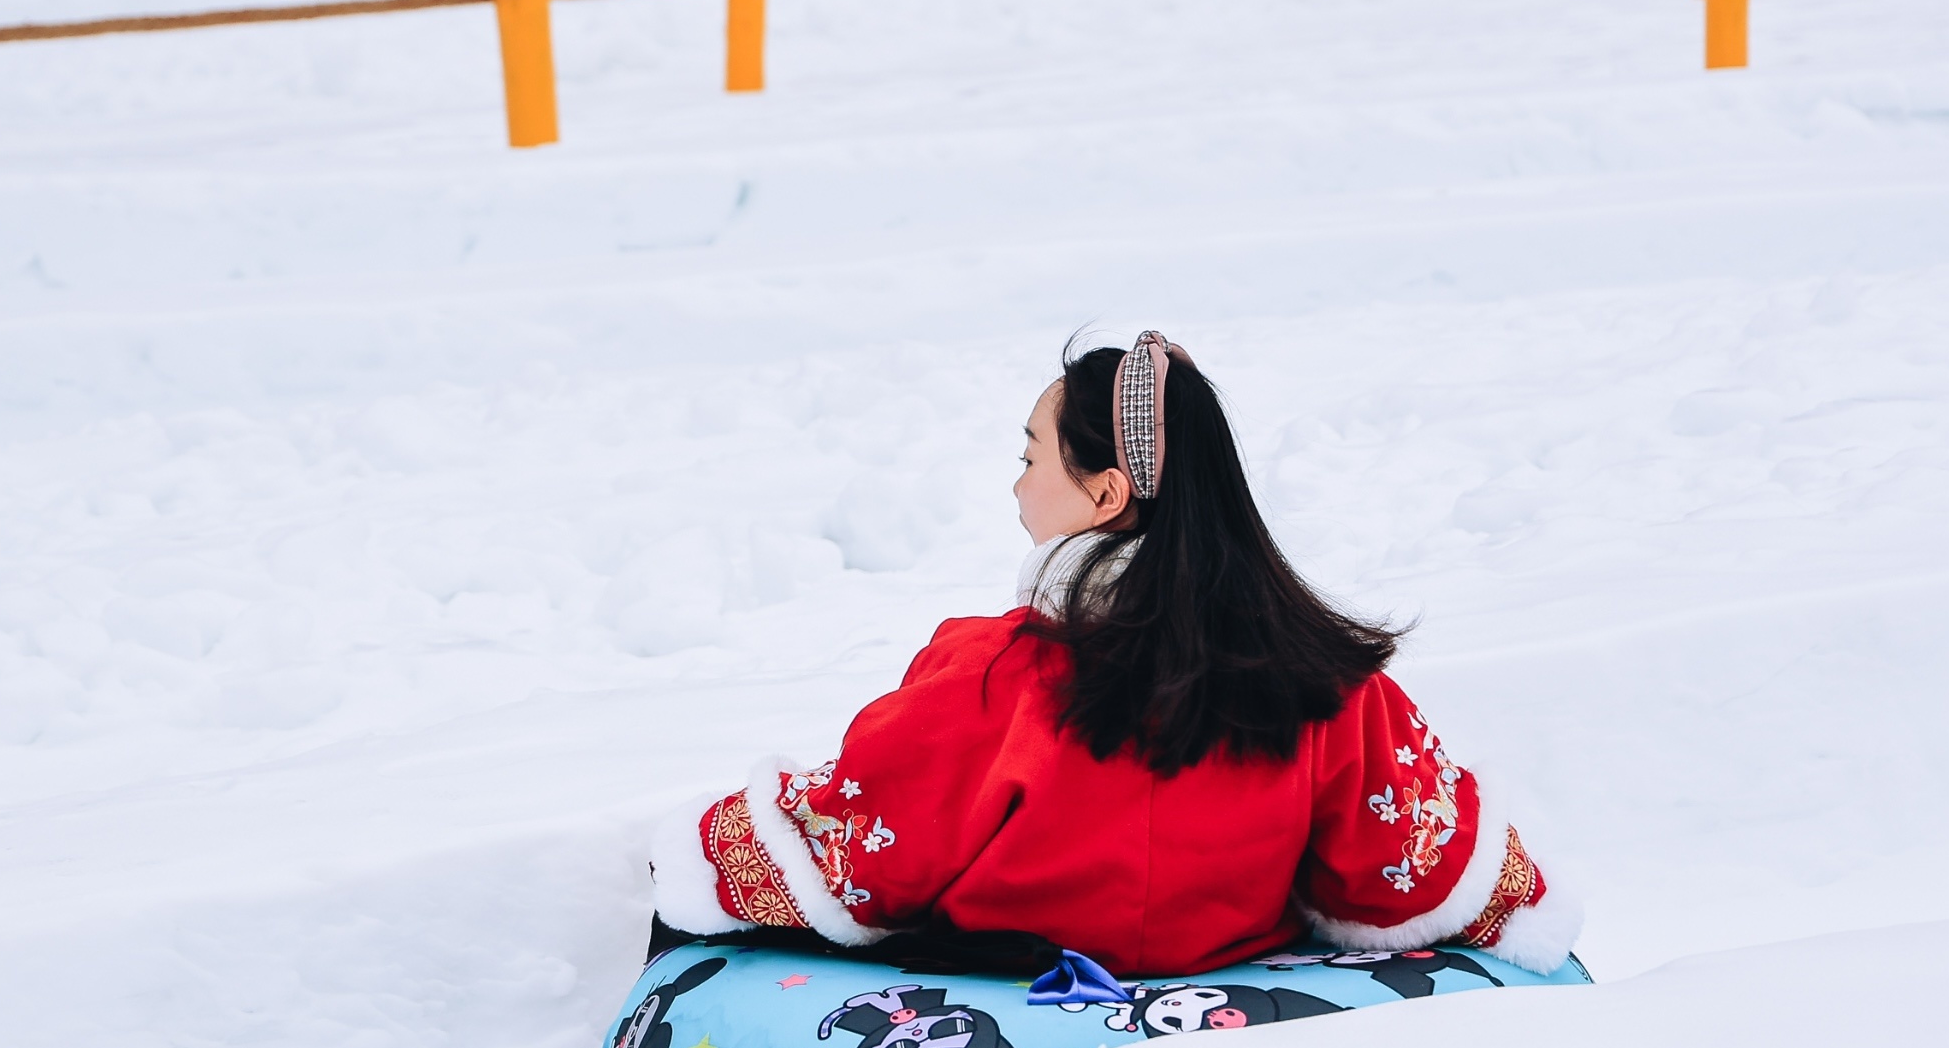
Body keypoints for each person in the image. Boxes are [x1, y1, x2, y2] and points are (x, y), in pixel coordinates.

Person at [649, 331, 1561, 984]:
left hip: (1004, 1023)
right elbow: (1414, 863)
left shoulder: (997, 677)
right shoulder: (1326, 683)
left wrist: (701, 853)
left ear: (1105, 493)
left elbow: (863, 841)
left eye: (1031, 456)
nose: (1017, 483)